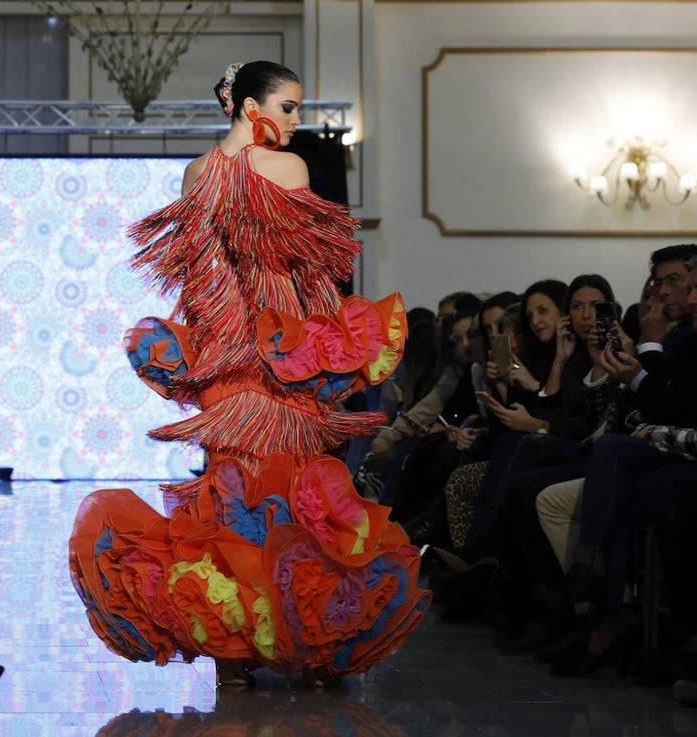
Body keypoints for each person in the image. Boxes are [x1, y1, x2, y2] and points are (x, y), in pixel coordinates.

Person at [68, 60, 430, 688]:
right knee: (292, 494)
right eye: (288, 107)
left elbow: (199, 282)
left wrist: (223, 350)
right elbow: (314, 276)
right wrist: (324, 350)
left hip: (225, 358)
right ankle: (310, 646)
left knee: (233, 496)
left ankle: (234, 656)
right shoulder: (288, 170)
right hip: (282, 349)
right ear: (248, 106)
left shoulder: (198, 173)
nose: (296, 120)